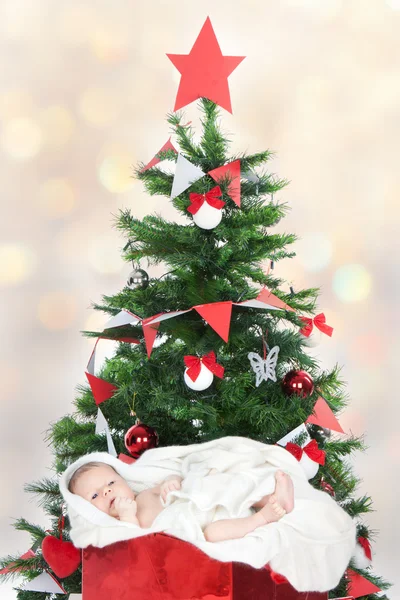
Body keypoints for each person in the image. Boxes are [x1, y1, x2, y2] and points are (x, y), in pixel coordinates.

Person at [68, 461, 295, 542]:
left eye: (111, 483)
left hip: (200, 501)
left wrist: (171, 481)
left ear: (123, 480)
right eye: (95, 496)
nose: (107, 492)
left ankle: (271, 496)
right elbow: (137, 545)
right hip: (202, 525)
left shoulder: (145, 494)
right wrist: (128, 516)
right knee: (215, 534)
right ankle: (263, 516)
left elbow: (173, 482)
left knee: (223, 486)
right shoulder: (120, 526)